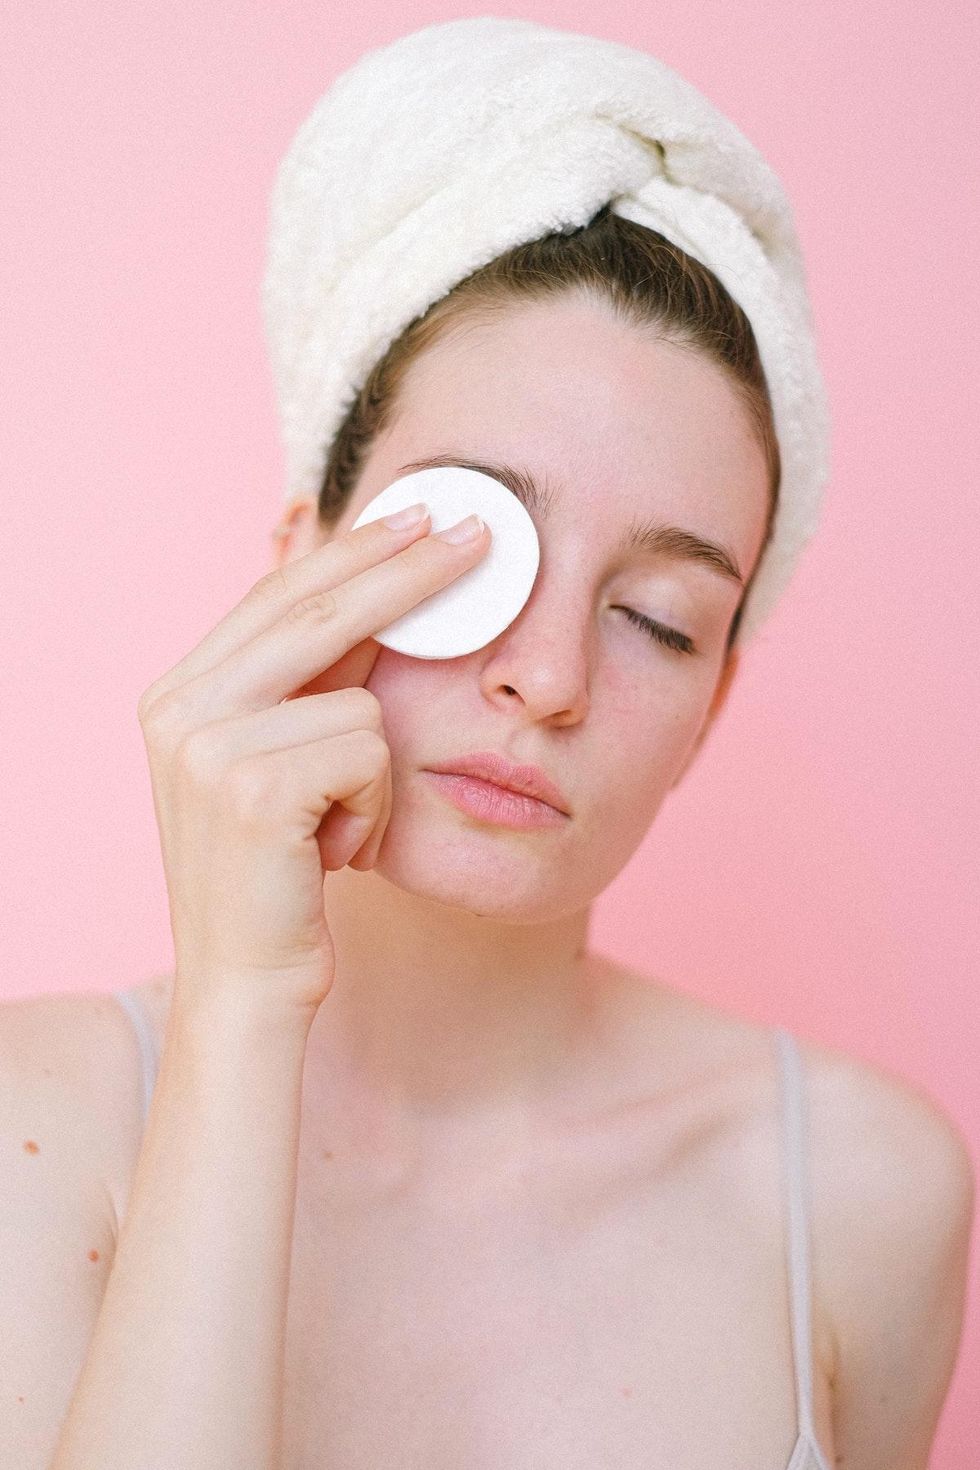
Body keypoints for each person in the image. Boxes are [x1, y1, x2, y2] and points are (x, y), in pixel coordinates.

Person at [4, 21, 973, 1470]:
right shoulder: (38, 1129)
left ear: (712, 705)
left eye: (654, 616)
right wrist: (243, 1011)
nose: (550, 678)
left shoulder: (864, 1193)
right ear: (299, 562)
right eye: (474, 558)